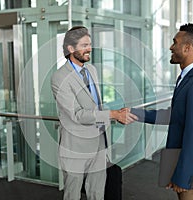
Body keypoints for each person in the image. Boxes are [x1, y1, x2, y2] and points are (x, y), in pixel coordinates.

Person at [130, 23, 193, 200]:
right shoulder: (187, 78)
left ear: (187, 48)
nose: (171, 46)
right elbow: (174, 115)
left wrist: (183, 176)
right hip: (188, 169)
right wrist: (135, 113)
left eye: (175, 42)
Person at [51, 26, 138, 200]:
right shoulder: (59, 77)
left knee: (97, 191)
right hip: (75, 146)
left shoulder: (92, 70)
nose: (89, 49)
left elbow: (96, 105)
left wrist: (115, 113)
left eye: (89, 44)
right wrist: (112, 115)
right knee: (72, 193)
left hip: (99, 142)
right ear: (71, 49)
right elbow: (77, 114)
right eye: (84, 45)